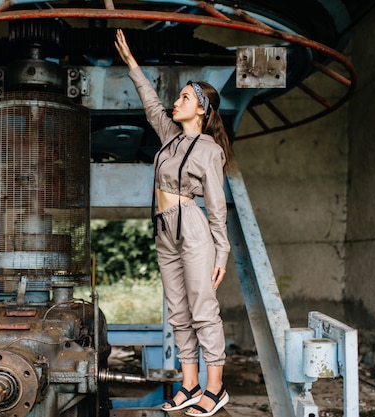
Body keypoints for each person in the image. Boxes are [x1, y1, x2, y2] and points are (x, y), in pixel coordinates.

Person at [114, 29, 232, 416]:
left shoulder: (209, 150)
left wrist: (222, 251)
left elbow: (216, 205)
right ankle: (190, 385)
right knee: (178, 311)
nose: (176, 101)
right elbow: (151, 106)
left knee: (202, 309)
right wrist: (133, 66)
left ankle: (215, 389)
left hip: (193, 228)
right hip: (164, 227)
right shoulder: (169, 138)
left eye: (184, 97)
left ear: (201, 109)